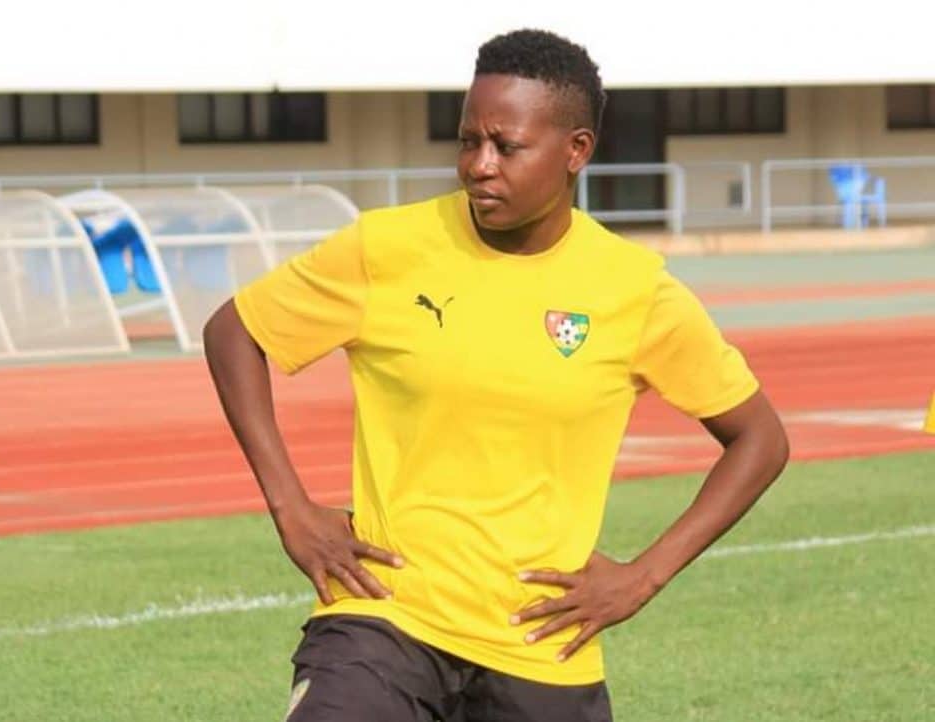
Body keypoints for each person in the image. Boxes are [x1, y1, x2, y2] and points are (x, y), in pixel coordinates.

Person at [203, 28, 789, 722]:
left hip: (540, 644)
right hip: (385, 622)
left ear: (576, 151)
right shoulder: (386, 247)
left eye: (506, 146)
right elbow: (235, 331)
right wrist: (290, 507)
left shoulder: (634, 291)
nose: (479, 165)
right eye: (467, 140)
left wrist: (642, 578)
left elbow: (760, 439)